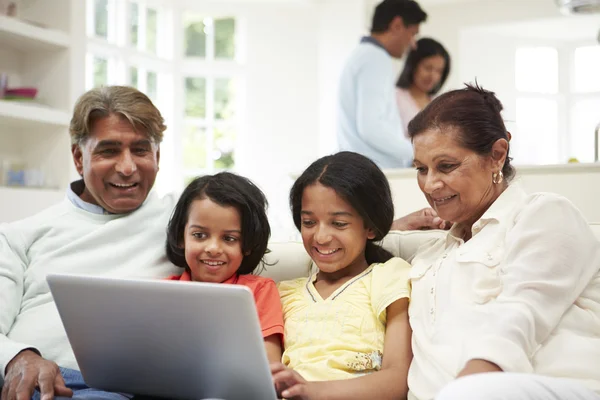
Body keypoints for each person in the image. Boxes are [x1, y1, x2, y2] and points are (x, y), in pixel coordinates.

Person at [405, 84, 600, 400]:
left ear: (497, 155)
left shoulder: (545, 214)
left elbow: (517, 316)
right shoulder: (428, 257)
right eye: (420, 169)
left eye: (446, 166)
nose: (430, 184)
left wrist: (464, 391)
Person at [0, 86, 178, 400]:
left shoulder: (185, 224)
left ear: (157, 157)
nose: (127, 167)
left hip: (115, 390)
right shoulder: (21, 234)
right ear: (79, 157)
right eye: (108, 151)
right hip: (26, 380)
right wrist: (18, 357)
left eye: (140, 150)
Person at [271, 151, 413, 400]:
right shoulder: (282, 292)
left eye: (339, 223)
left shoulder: (389, 275)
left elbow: (397, 380)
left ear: (370, 227)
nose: (321, 237)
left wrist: (311, 391)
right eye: (309, 222)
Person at [165, 172, 284, 364]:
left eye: (229, 238)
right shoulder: (161, 292)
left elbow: (270, 367)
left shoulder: (259, 292)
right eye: (199, 235)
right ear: (181, 237)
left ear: (248, 245)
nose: (213, 249)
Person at [337, 0, 427, 169]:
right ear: (397, 25)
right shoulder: (375, 58)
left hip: (362, 166)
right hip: (375, 169)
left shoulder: (362, 55)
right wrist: (420, 151)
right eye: (413, 33)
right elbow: (371, 128)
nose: (413, 44)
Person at [396, 37, 450, 134]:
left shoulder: (440, 104)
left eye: (439, 71)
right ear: (413, 65)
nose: (433, 76)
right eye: (428, 68)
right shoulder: (394, 97)